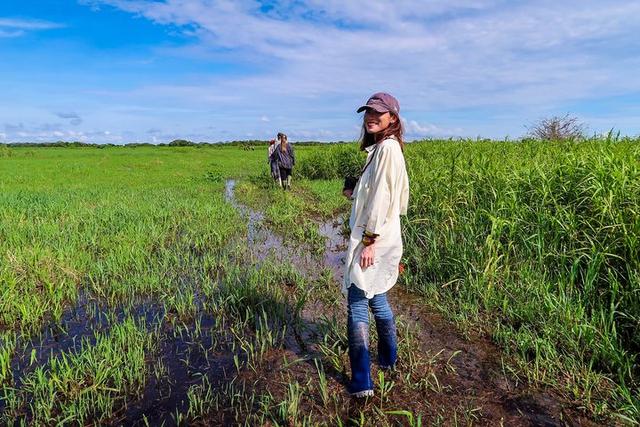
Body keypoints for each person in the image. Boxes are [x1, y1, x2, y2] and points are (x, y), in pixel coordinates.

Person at [342, 92, 409, 398]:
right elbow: (380, 193)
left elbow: (383, 200)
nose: (371, 116)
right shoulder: (382, 149)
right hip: (384, 237)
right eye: (368, 111)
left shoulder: (388, 149)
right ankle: (389, 359)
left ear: (392, 117)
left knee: (357, 301)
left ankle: (361, 382)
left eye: (378, 112)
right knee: (377, 298)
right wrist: (354, 191)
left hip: (375, 240)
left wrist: (369, 242)